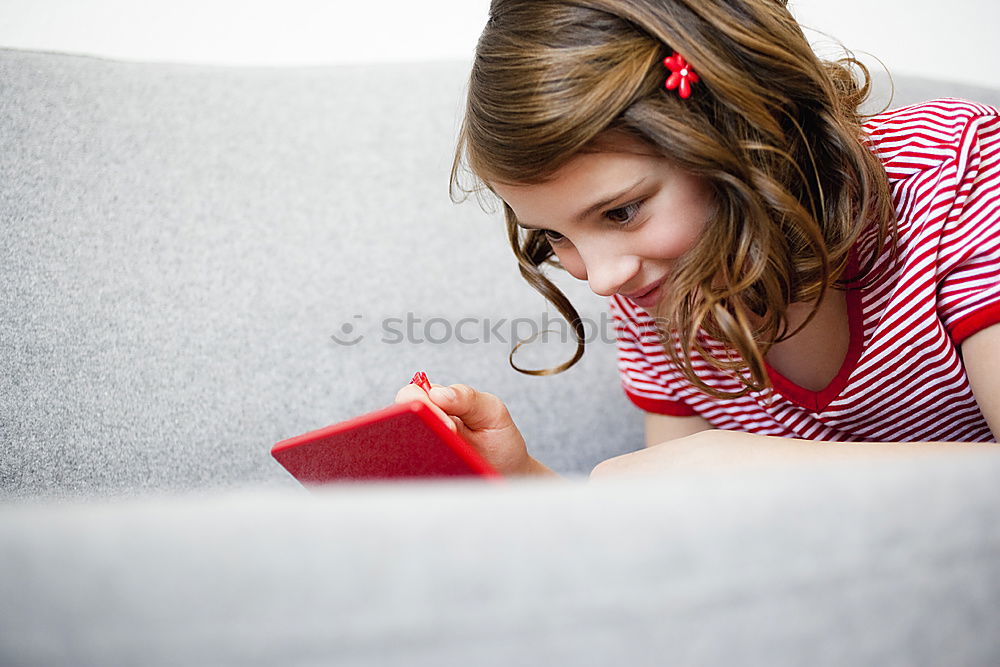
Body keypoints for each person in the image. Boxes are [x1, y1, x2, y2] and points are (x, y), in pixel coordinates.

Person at [396, 0, 1000, 477]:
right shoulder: (659, 288)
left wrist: (759, 467)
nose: (603, 279)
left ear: (746, 126)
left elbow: (719, 481)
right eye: (555, 235)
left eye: (622, 212)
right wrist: (519, 479)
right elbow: (674, 538)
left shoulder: (960, 176)